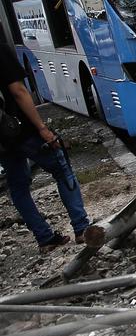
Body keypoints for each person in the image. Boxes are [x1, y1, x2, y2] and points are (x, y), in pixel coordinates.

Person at [0, 41, 90, 248]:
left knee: (18, 187)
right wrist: (42, 128)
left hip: (2, 141)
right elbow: (18, 91)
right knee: (62, 169)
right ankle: (82, 228)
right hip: (22, 129)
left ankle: (45, 238)